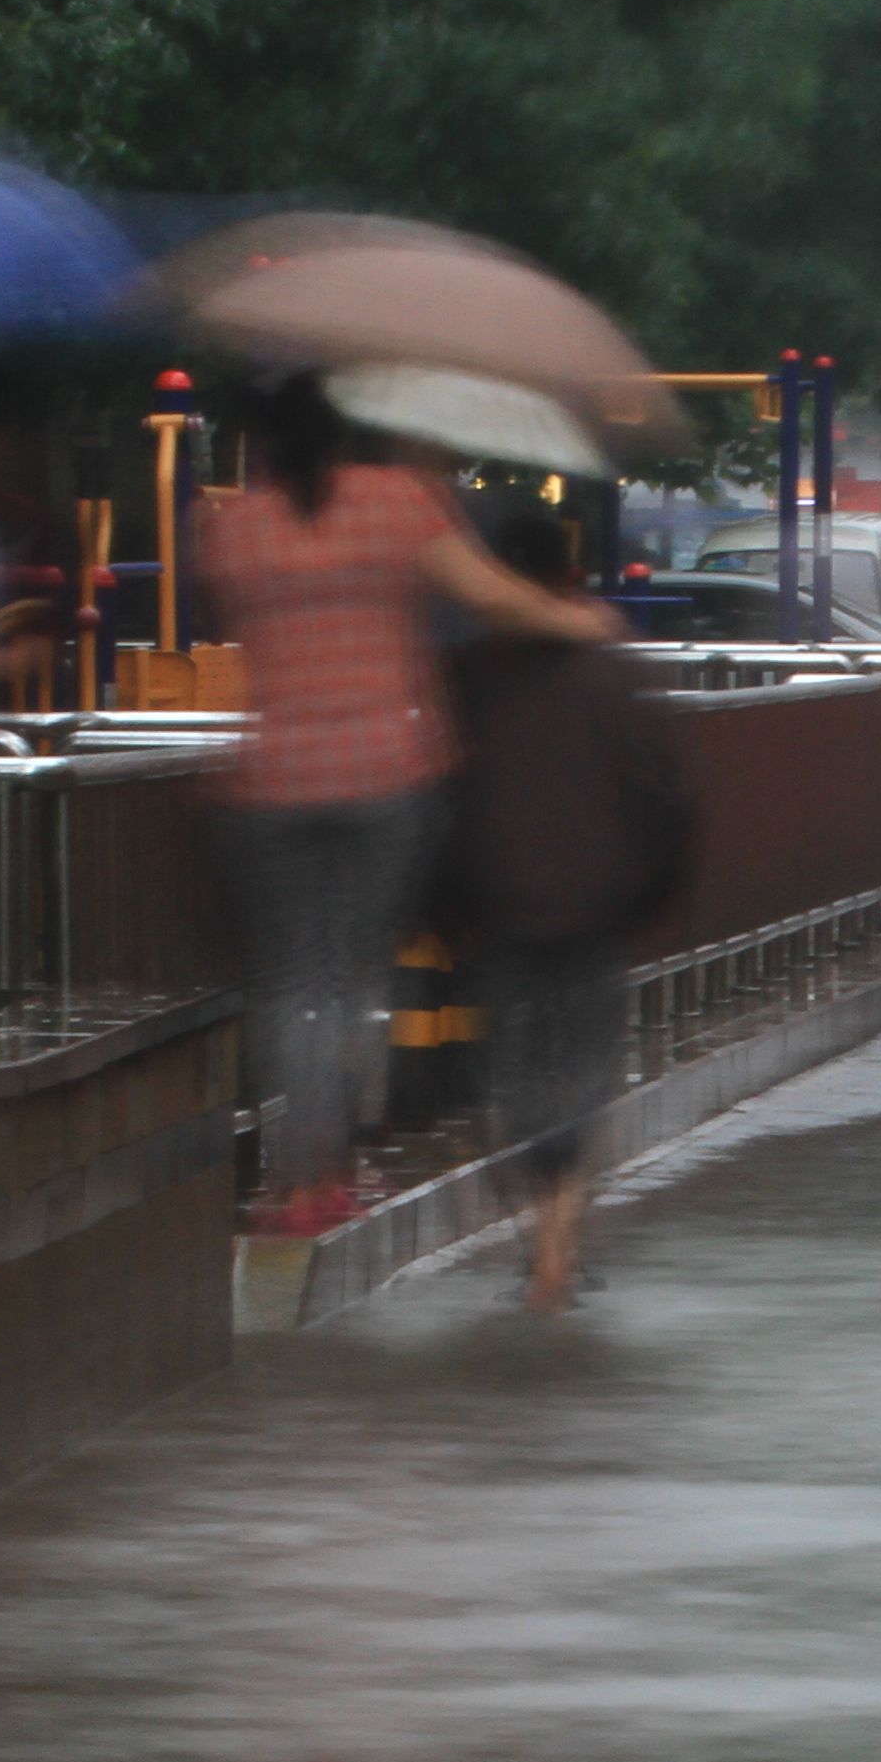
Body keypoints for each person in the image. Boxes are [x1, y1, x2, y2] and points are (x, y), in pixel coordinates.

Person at [197, 372, 619, 1238]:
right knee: (353, 982)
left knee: (287, 984)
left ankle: (291, 1181)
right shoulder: (398, 502)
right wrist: (580, 623)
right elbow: (490, 597)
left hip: (269, 779)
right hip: (388, 774)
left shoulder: (229, 525)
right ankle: (336, 1171)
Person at [438, 510, 692, 1311]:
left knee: (513, 1075)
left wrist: (440, 900)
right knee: (582, 1073)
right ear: (572, 571)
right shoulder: (612, 666)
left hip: (498, 899)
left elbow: (441, 788)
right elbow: (665, 789)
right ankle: (561, 1247)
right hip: (598, 900)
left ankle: (539, 1244)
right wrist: (660, 888)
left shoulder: (468, 671)